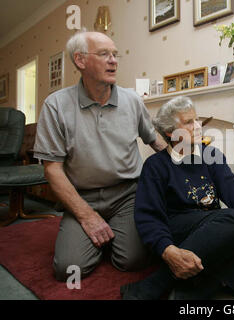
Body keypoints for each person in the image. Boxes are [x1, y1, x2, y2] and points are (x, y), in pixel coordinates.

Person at [33, 30, 166, 281]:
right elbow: (52, 169)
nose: (114, 60)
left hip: (128, 194)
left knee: (133, 261)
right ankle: (98, 234)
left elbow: (155, 141)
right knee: (68, 270)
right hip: (82, 197)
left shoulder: (132, 100)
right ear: (80, 60)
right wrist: (86, 216)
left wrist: (186, 162)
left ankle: (111, 237)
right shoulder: (55, 105)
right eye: (104, 54)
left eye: (115, 55)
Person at [120, 96, 234, 300]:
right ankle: (157, 283)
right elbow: (147, 216)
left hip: (214, 226)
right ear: (170, 132)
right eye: (188, 122)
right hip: (180, 231)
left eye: (197, 120)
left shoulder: (211, 155)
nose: (197, 126)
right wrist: (167, 250)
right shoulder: (155, 166)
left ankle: (207, 285)